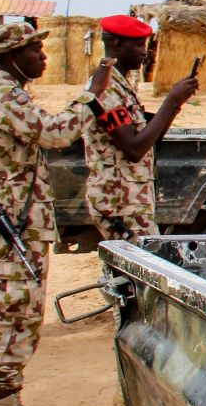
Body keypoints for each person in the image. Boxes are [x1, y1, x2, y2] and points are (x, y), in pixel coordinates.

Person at [0, 22, 114, 406]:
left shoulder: (8, 94)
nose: (43, 58)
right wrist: (90, 94)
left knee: (21, 315)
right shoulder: (1, 97)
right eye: (35, 51)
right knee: (10, 315)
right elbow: (56, 133)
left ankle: (11, 405)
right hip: (10, 226)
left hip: (20, 223)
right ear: (13, 56)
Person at [81, 15, 199, 241]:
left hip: (130, 201)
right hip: (120, 204)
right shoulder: (106, 89)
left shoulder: (121, 86)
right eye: (137, 45)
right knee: (143, 270)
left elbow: (148, 141)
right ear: (116, 44)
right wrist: (171, 101)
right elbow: (133, 149)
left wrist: (176, 104)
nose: (145, 52)